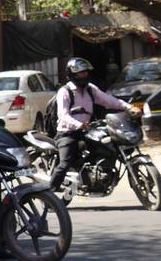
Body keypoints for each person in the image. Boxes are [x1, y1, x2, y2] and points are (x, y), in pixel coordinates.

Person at [48, 57, 138, 193]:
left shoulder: (91, 89)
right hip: (67, 133)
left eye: (85, 72)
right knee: (65, 163)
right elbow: (63, 115)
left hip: (87, 130)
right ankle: (49, 196)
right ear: (72, 75)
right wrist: (78, 124)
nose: (84, 75)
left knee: (106, 147)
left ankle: (95, 178)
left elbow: (109, 101)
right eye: (80, 73)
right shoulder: (65, 92)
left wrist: (129, 107)